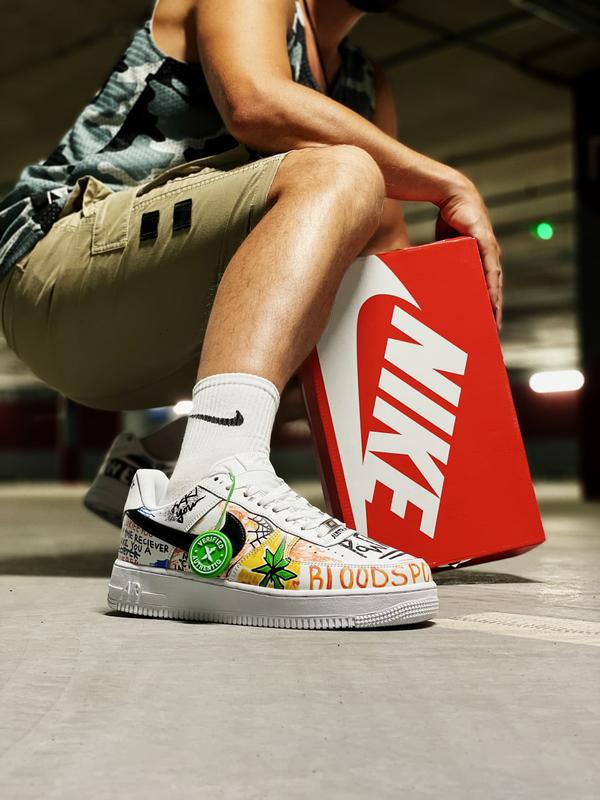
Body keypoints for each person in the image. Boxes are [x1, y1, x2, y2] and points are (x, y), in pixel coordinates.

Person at [0, 0, 502, 628]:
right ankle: (215, 489)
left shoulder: (366, 83)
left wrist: (449, 338)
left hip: (159, 325)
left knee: (362, 301)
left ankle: (161, 467)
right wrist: (450, 183)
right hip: (60, 270)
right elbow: (256, 104)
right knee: (344, 168)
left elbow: (385, 245)